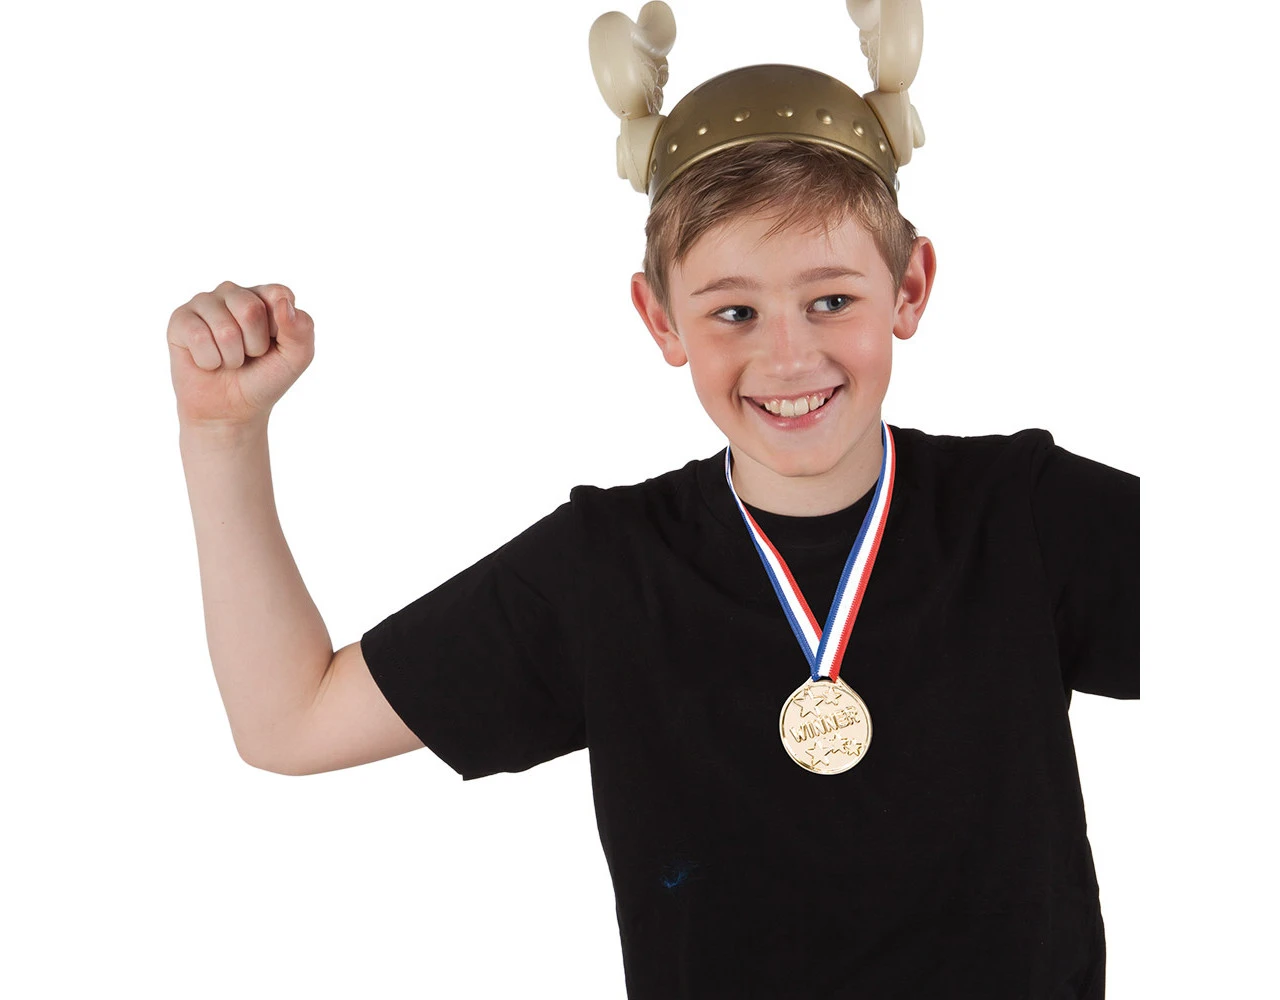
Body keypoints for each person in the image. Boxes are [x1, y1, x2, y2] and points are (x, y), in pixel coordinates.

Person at [167, 2, 1137, 996]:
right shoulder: (607, 569)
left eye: (831, 300)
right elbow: (288, 722)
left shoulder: (1025, 517)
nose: (788, 355)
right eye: (734, 311)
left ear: (911, 288)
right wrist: (221, 436)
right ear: (660, 318)